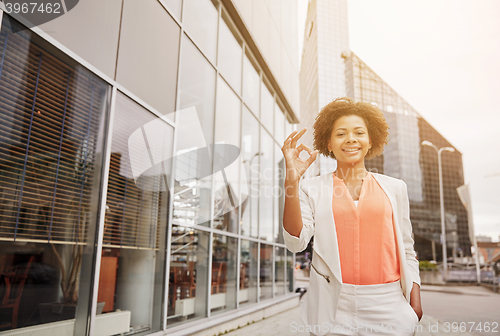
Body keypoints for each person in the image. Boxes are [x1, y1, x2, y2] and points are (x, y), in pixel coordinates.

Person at [282, 97, 422, 336]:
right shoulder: (310, 188)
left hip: (388, 304)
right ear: (328, 142)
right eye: (341, 134)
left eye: (359, 132)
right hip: (333, 307)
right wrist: (292, 180)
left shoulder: (395, 188)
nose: (350, 139)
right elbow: (296, 242)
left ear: (370, 140)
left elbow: (407, 249)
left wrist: (415, 300)